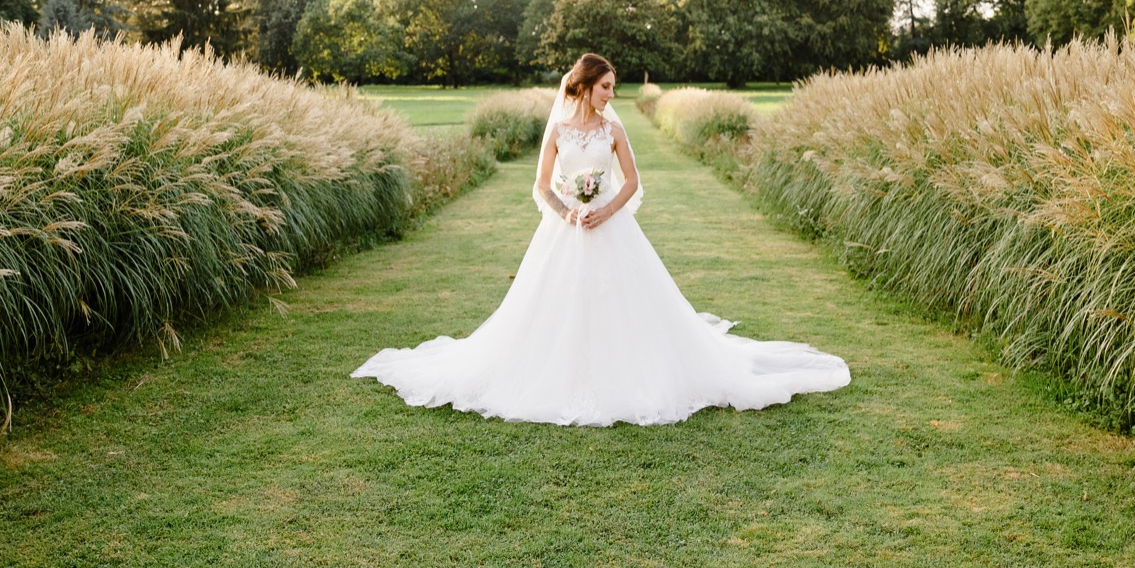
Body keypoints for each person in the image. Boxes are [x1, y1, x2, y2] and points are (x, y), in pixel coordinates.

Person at [351, 53, 850, 426]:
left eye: (614, 87)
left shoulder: (614, 130)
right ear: (586, 86)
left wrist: (604, 210)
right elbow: (543, 185)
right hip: (564, 231)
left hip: (612, 227)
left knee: (627, 304)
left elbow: (631, 182)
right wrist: (569, 211)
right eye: (607, 86)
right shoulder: (559, 131)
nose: (614, 94)